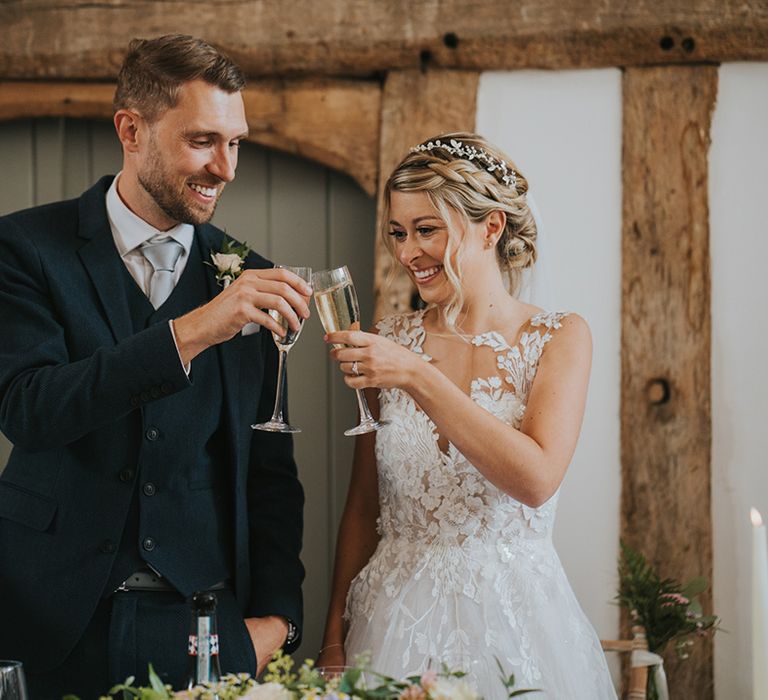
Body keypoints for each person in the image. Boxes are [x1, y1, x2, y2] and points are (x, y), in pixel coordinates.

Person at [0, 35, 310, 699]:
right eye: (203, 140)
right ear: (131, 129)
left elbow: (269, 469)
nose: (225, 167)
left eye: (236, 142)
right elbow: (30, 408)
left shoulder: (251, 276)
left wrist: (278, 621)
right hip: (46, 622)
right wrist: (195, 329)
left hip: (206, 629)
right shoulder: (24, 249)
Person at [317, 133, 617, 698]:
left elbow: (535, 480)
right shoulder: (389, 338)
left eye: (427, 230)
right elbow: (363, 503)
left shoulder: (558, 337)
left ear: (491, 226)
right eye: (398, 233)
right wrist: (334, 633)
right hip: (391, 619)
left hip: (517, 622)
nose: (408, 253)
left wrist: (415, 375)